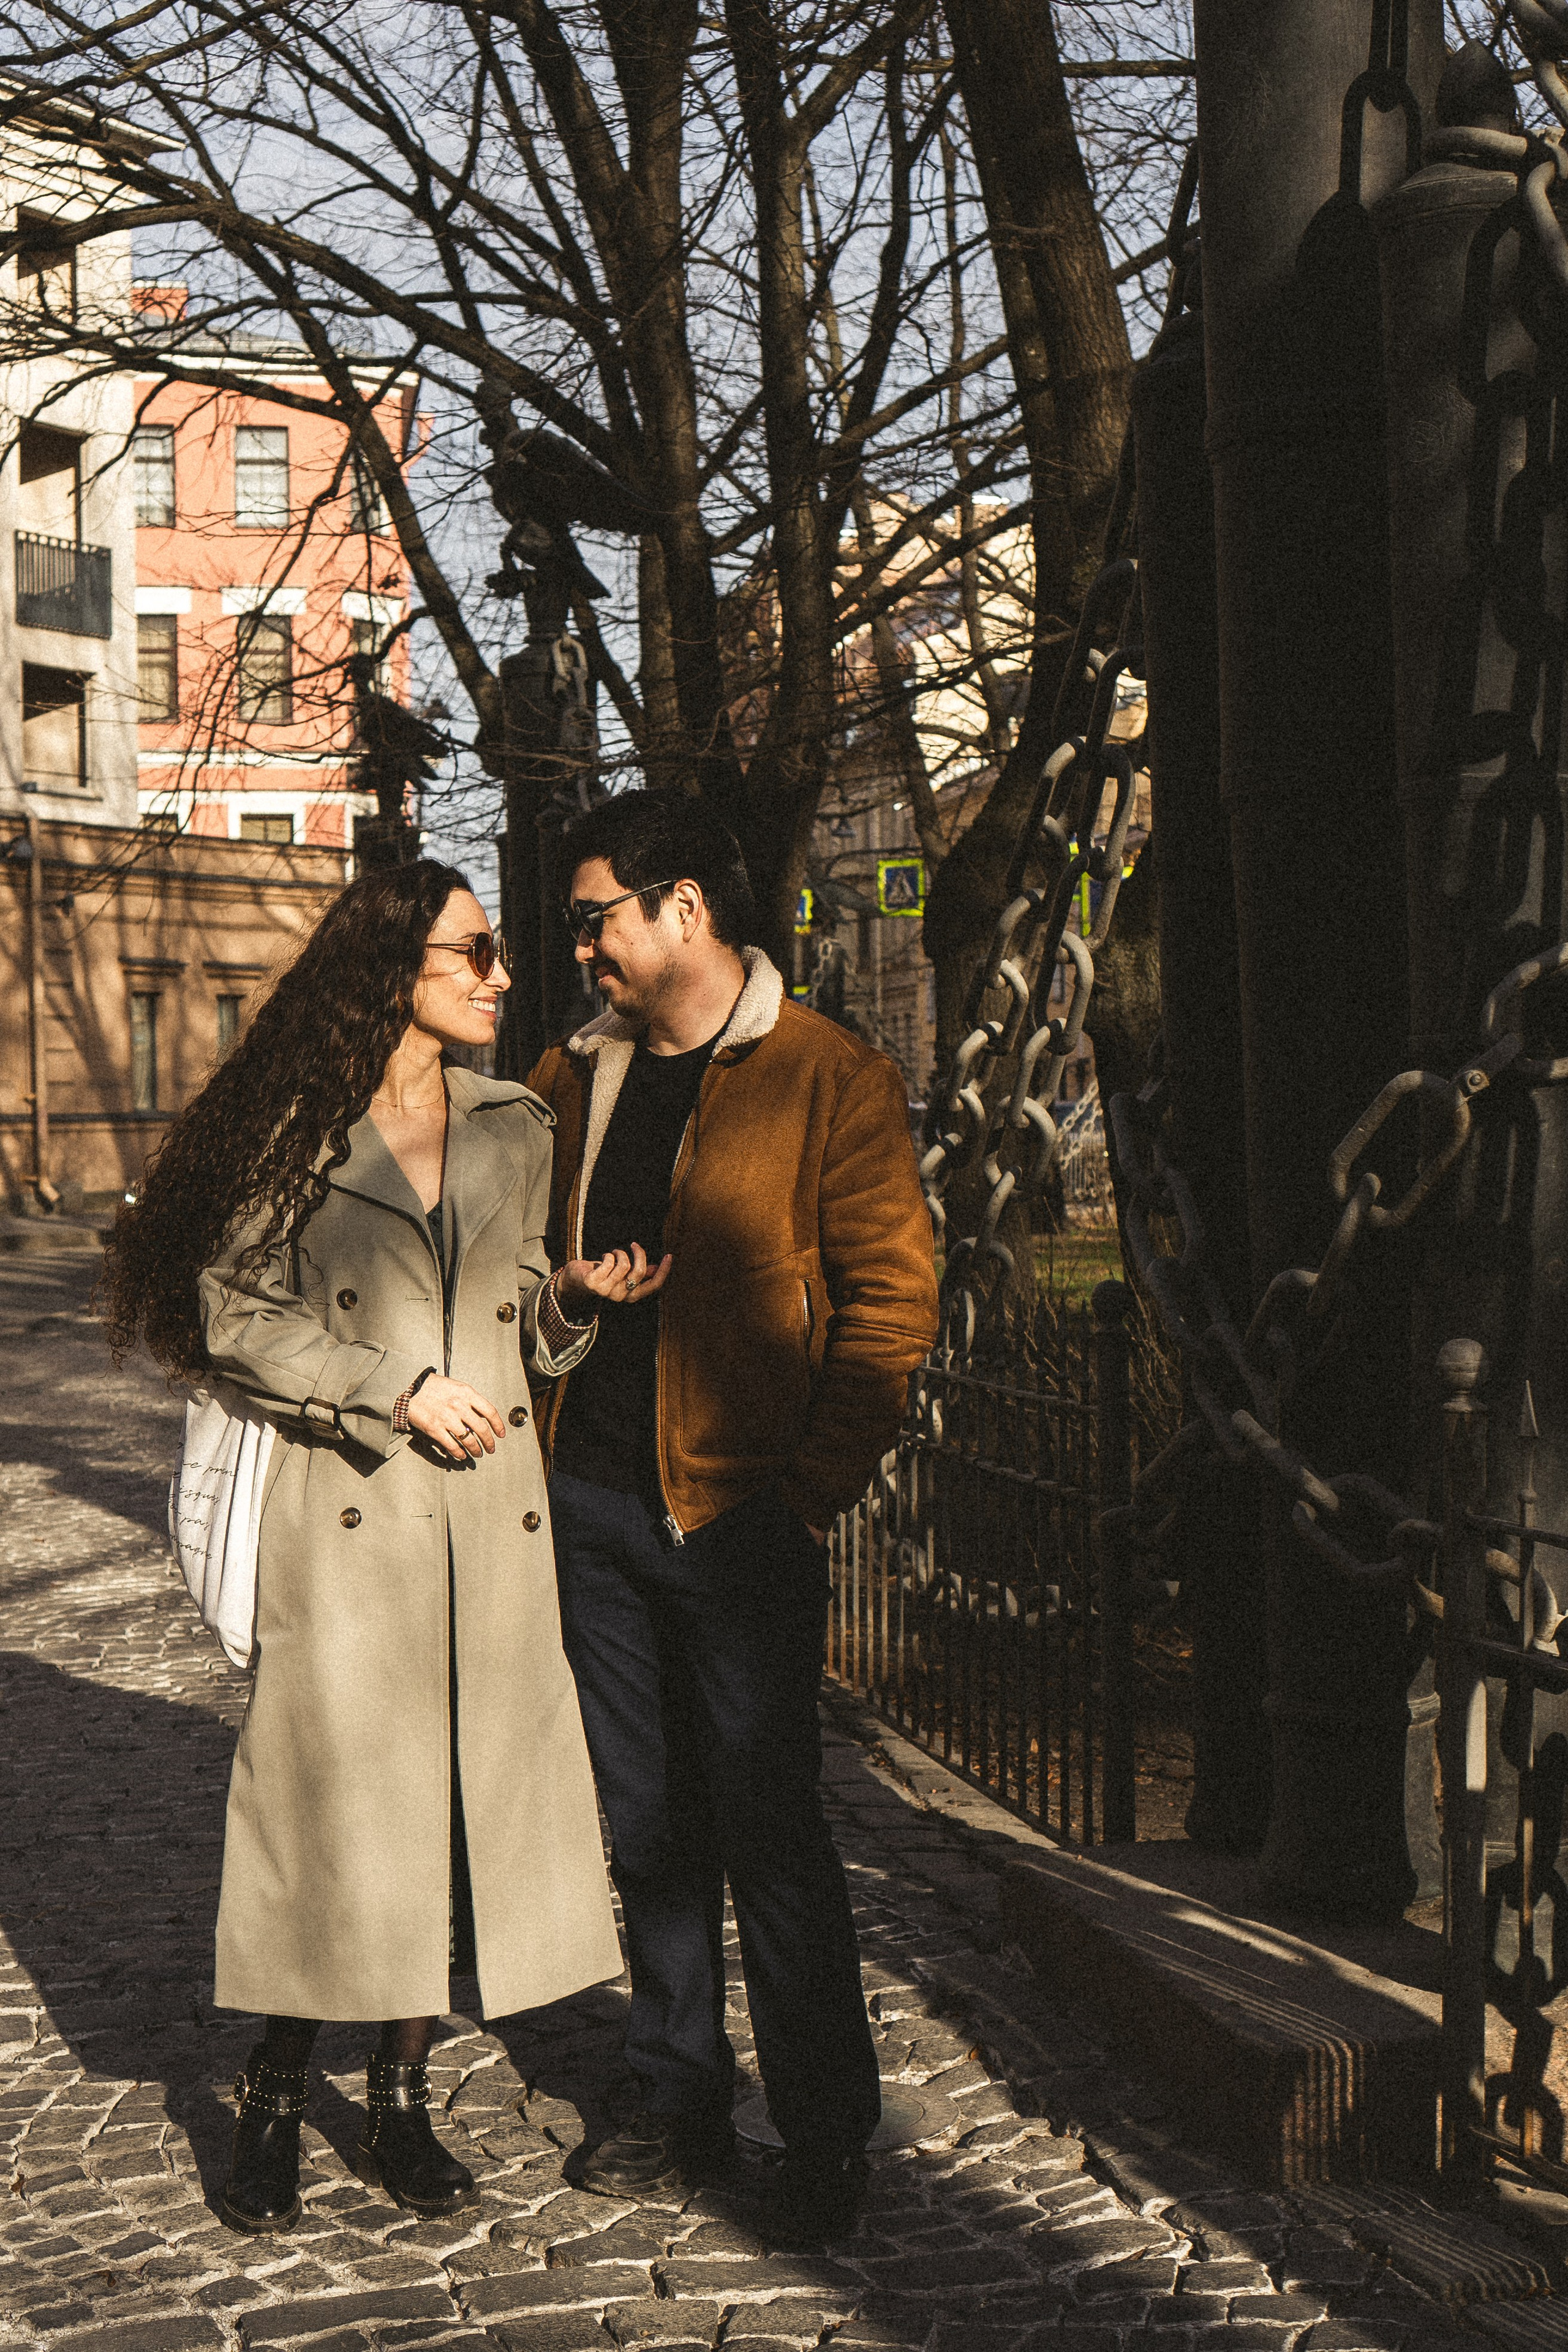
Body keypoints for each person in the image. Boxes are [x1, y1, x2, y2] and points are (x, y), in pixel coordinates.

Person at [101, 860, 654, 2236]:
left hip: (490, 1514)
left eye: (499, 955)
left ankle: (401, 2105)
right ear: (392, 968)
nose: (501, 975)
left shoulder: (516, 1123)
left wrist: (568, 1306)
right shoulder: (293, 1129)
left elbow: (519, 1310)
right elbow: (230, 1313)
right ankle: (278, 2094)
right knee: (333, 1816)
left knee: (454, 1819)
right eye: (474, 953)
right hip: (351, 1508)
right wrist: (389, 1389)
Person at [527, 790, 940, 2244]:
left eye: (599, 918)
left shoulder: (826, 1074)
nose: (581, 948)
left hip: (738, 1515)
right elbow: (518, 1278)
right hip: (594, 1510)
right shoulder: (571, 1081)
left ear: (682, 909)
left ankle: (822, 2131)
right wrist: (562, 1317)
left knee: (772, 1832)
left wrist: (809, 1485)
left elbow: (889, 1301)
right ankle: (675, 2088)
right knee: (644, 1829)